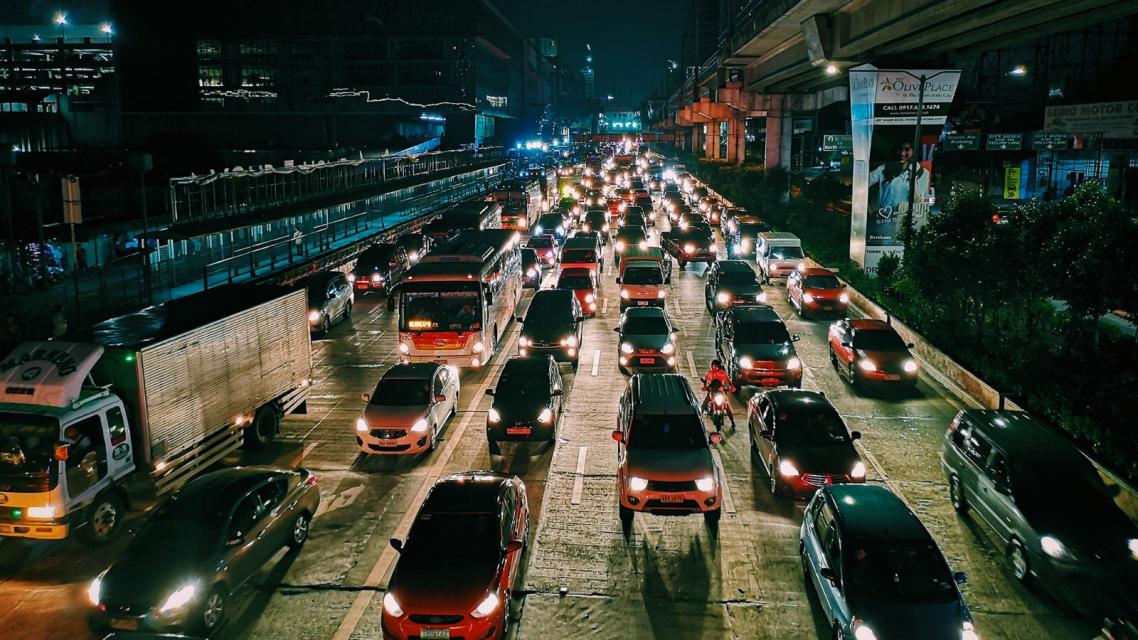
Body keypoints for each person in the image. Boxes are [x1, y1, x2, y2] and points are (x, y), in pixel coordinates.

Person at [701, 359, 736, 430]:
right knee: (705, 402)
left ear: (718, 367)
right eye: (713, 366)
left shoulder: (723, 373)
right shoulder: (709, 373)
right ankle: (699, 416)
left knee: (727, 406)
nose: (714, 368)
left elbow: (728, 381)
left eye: (716, 366)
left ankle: (732, 421)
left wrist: (732, 387)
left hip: (721, 392)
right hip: (712, 391)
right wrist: (705, 387)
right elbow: (706, 381)